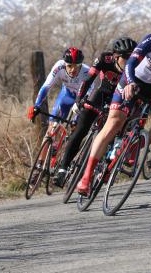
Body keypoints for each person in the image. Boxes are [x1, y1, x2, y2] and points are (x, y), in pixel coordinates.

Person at [76, 12, 151, 196]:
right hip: (131, 82)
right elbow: (130, 64)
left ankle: (135, 146)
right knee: (114, 125)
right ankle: (86, 176)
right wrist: (130, 83)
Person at [54, 37, 137, 187]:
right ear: (116, 57)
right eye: (126, 57)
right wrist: (80, 100)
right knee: (80, 130)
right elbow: (88, 79)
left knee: (112, 133)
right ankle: (63, 169)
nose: (129, 60)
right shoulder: (104, 59)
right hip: (101, 94)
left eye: (132, 57)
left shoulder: (136, 67)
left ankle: (103, 167)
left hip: (119, 101)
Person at [27, 47, 90, 123]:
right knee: (53, 123)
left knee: (76, 125)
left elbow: (90, 93)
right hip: (68, 94)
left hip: (83, 98)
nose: (73, 70)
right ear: (65, 63)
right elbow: (47, 86)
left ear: (81, 65)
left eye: (76, 66)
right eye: (69, 66)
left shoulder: (87, 72)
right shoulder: (59, 66)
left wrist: (80, 105)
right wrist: (36, 105)